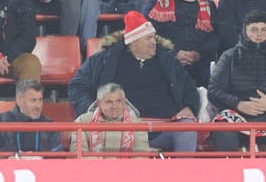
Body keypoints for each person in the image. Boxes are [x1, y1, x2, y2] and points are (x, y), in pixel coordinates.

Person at [67, 10, 200, 153]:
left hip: (163, 128)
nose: (154, 42)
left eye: (153, 37)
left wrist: (189, 107)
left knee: (187, 128)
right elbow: (77, 86)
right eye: (148, 38)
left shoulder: (169, 62)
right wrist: (93, 110)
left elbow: (189, 90)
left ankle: (184, 173)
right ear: (134, 41)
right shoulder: (103, 60)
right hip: (118, 129)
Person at [209, 13, 266, 153]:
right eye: (254, 30)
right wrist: (239, 104)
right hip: (238, 113)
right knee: (222, 130)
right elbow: (214, 91)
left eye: (263, 29)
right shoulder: (229, 56)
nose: (259, 34)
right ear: (245, 31)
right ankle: (229, 172)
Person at [147, 0, 220, 88]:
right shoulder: (155, 5)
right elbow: (148, 38)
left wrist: (198, 54)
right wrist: (174, 53)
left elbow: (215, 38)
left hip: (200, 64)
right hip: (165, 62)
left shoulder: (209, 5)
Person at [0, 78, 63, 154]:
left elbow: (59, 159)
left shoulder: (50, 127)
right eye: (33, 100)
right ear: (19, 100)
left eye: (40, 100)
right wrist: (7, 160)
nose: (38, 106)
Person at [70, 82, 151, 156]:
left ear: (124, 102)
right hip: (93, 169)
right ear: (99, 103)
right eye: (109, 102)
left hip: (127, 170)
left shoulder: (137, 123)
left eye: (118, 101)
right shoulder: (82, 121)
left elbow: (141, 157)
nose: (114, 106)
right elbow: (78, 155)